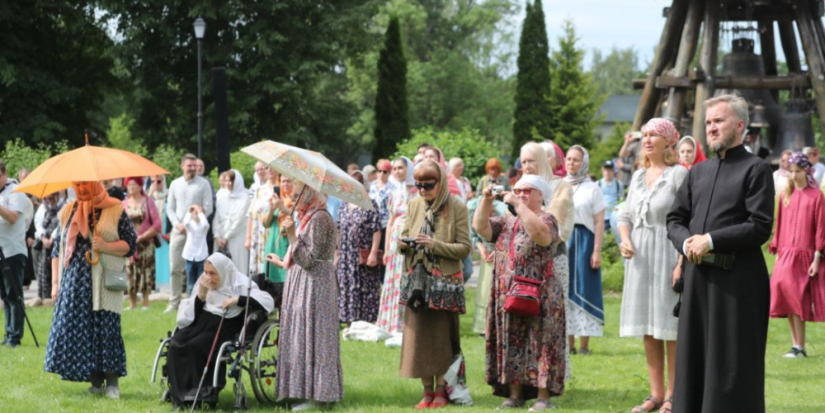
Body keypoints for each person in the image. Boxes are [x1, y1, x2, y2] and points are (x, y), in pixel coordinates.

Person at [667, 94, 775, 413]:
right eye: (708, 122)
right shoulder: (697, 173)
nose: (711, 128)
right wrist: (687, 243)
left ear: (739, 125)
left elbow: (759, 226)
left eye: (719, 121)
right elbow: (675, 219)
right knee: (693, 360)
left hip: (738, 285)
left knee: (732, 365)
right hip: (698, 280)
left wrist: (710, 240)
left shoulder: (756, 169)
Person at [473, 174, 565, 411]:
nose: (521, 194)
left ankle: (544, 398)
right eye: (517, 190)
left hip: (541, 294)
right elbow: (480, 227)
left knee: (542, 343)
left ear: (540, 195)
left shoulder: (548, 219)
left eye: (527, 191)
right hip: (508, 292)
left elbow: (540, 236)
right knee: (511, 339)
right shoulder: (505, 221)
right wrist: (485, 199)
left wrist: (517, 204)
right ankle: (515, 395)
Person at [618, 118, 688, 413]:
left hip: (667, 252)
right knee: (648, 326)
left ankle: (673, 395)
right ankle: (655, 393)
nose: (646, 140)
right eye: (644, 135)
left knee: (668, 327)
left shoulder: (678, 175)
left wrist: (681, 262)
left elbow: (688, 219)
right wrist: (624, 239)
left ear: (668, 142)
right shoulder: (636, 176)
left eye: (653, 135)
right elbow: (624, 214)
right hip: (640, 259)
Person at [44, 181, 137, 398]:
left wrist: (105, 246)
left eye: (86, 184)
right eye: (77, 184)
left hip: (104, 281)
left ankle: (112, 383)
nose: (82, 188)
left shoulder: (115, 209)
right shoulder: (68, 210)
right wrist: (56, 284)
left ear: (96, 184)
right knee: (84, 331)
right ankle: (95, 382)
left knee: (107, 328)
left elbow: (131, 245)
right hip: (75, 282)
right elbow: (57, 248)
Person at [398, 160, 470, 409]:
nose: (422, 190)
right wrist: (402, 243)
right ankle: (426, 391)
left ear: (440, 183)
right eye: (418, 185)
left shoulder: (457, 207)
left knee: (442, 338)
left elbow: (464, 248)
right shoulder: (413, 204)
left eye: (428, 185)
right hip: (417, 280)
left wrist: (433, 244)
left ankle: (442, 390)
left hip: (444, 284)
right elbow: (405, 234)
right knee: (418, 339)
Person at [166, 252, 274, 408]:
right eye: (206, 272)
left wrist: (237, 300)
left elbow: (267, 301)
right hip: (201, 322)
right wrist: (201, 296)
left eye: (213, 273)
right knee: (176, 343)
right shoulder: (203, 284)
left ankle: (201, 394)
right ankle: (181, 394)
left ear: (223, 272)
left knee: (196, 346)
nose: (208, 277)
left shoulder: (240, 284)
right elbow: (191, 313)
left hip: (226, 325)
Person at [273, 181, 343, 411]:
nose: (292, 199)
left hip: (316, 286)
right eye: (291, 195)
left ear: (310, 194)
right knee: (301, 334)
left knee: (315, 336)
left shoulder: (321, 218)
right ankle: (298, 390)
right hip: (301, 283)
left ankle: (318, 395)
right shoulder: (307, 217)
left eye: (296, 194)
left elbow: (308, 260)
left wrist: (293, 236)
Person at [768, 152, 825, 358]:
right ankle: (795, 345)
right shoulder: (785, 195)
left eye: (798, 171)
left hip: (805, 255)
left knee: (797, 299)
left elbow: (820, 228)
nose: (793, 175)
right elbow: (780, 224)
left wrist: (817, 257)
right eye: (790, 171)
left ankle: (799, 346)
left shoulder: (816, 196)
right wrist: (777, 251)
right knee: (785, 296)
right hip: (785, 253)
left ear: (807, 171)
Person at [564, 145, 606, 355]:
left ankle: (584, 346)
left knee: (585, 287)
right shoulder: (560, 185)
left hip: (585, 241)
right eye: (569, 159)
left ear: (584, 162)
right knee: (564, 289)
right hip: (564, 240)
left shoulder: (592, 188)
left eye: (576, 160)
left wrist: (596, 250)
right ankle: (569, 344)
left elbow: (599, 222)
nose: (571, 163)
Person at [166, 154, 214, 314]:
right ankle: (174, 302)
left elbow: (209, 207)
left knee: (198, 269)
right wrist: (177, 224)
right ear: (182, 166)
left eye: (194, 165)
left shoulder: (204, 184)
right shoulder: (175, 184)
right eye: (189, 165)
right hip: (179, 231)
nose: (192, 168)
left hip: (197, 233)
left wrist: (196, 221)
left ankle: (195, 300)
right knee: (175, 267)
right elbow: (170, 208)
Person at [376, 157, 417, 334]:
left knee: (406, 280)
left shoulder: (418, 192)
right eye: (394, 168)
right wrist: (386, 250)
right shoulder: (394, 194)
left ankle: (406, 324)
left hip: (411, 243)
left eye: (400, 168)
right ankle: (390, 323)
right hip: (394, 243)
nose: (397, 171)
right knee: (392, 282)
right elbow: (391, 223)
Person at [337, 171, 382, 324]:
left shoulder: (370, 204)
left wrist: (374, 253)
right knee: (346, 284)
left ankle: (366, 318)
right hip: (345, 255)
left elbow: (376, 230)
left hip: (363, 253)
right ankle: (348, 317)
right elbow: (338, 229)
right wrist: (336, 253)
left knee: (365, 285)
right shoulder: (343, 205)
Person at [0, 160, 34, 348]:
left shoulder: (16, 191)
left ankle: (16, 336)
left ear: (4, 173)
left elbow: (13, 217)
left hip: (13, 251)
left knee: (15, 295)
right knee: (5, 296)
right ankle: (8, 333)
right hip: (0, 251)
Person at [122, 177, 162, 311]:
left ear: (140, 186)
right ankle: (132, 303)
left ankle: (145, 302)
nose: (131, 187)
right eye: (129, 185)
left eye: (134, 185)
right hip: (129, 245)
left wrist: (142, 236)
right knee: (129, 271)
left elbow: (157, 224)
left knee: (146, 272)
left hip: (146, 244)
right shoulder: (123, 204)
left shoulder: (148, 202)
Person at [263, 174, 294, 306]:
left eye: (288, 181)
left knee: (286, 275)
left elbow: (297, 219)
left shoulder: (296, 200)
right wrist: (271, 209)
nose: (285, 184)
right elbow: (265, 223)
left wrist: (283, 208)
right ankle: (275, 306)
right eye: (282, 181)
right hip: (273, 242)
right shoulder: (275, 198)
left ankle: (287, 305)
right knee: (273, 276)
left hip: (287, 242)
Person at [213, 170, 251, 276]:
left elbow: (239, 221)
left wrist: (226, 237)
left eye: (230, 181)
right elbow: (216, 217)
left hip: (236, 238)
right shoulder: (220, 195)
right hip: (220, 238)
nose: (228, 183)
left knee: (237, 266)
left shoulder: (244, 198)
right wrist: (217, 236)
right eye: (226, 181)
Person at [31, 193, 65, 306]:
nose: (49, 200)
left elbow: (62, 224)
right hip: (44, 244)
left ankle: (54, 296)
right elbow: (38, 224)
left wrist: (52, 238)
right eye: (47, 198)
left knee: (55, 270)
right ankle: (43, 296)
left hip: (57, 243)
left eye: (51, 197)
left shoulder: (63, 206)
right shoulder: (42, 208)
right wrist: (43, 238)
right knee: (43, 269)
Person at [246, 165, 279, 277]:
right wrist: (248, 237)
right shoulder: (259, 190)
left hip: (274, 233)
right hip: (258, 234)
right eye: (266, 167)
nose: (269, 169)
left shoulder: (283, 188)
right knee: (258, 273)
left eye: (272, 167)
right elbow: (251, 214)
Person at [369, 159, 396, 256]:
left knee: (381, 253)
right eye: (379, 171)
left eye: (385, 171)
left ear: (389, 173)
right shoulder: (371, 186)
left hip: (384, 224)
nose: (381, 174)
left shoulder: (393, 189)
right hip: (370, 223)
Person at [183, 205, 209, 293]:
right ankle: (190, 301)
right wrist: (188, 211)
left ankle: (201, 299)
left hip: (201, 256)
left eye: (198, 213)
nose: (196, 214)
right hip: (190, 256)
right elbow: (185, 223)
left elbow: (205, 223)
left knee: (202, 281)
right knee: (190, 283)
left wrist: (200, 211)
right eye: (194, 213)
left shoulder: (204, 226)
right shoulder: (190, 225)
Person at [598, 160, 624, 235]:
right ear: (602, 171)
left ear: (613, 171)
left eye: (609, 170)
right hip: (602, 217)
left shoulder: (618, 184)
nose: (607, 172)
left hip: (615, 217)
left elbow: (621, 200)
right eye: (605, 170)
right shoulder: (598, 184)